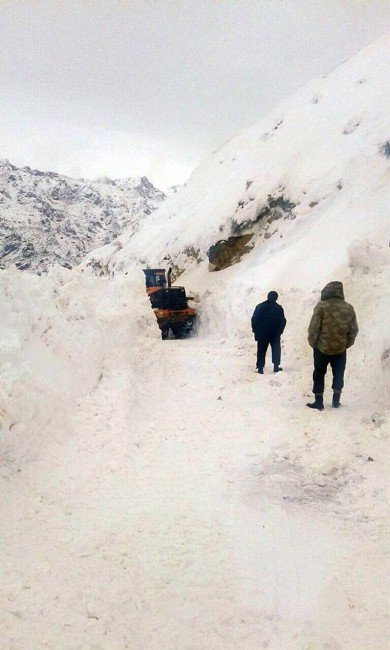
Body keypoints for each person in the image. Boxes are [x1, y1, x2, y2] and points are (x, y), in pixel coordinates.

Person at [307, 281, 358, 410]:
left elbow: (314, 327)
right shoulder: (348, 308)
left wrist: (313, 343)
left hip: (321, 348)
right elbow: (354, 329)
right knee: (339, 373)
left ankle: (318, 401)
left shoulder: (321, 307)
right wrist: (346, 344)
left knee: (319, 373)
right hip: (340, 349)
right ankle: (336, 400)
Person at [251, 291, 286, 374]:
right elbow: (283, 321)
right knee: (276, 350)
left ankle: (260, 368)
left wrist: (255, 330)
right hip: (274, 334)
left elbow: (254, 319)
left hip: (262, 333)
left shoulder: (260, 306)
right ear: (276, 298)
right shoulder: (278, 308)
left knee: (261, 350)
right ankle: (276, 366)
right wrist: (280, 331)